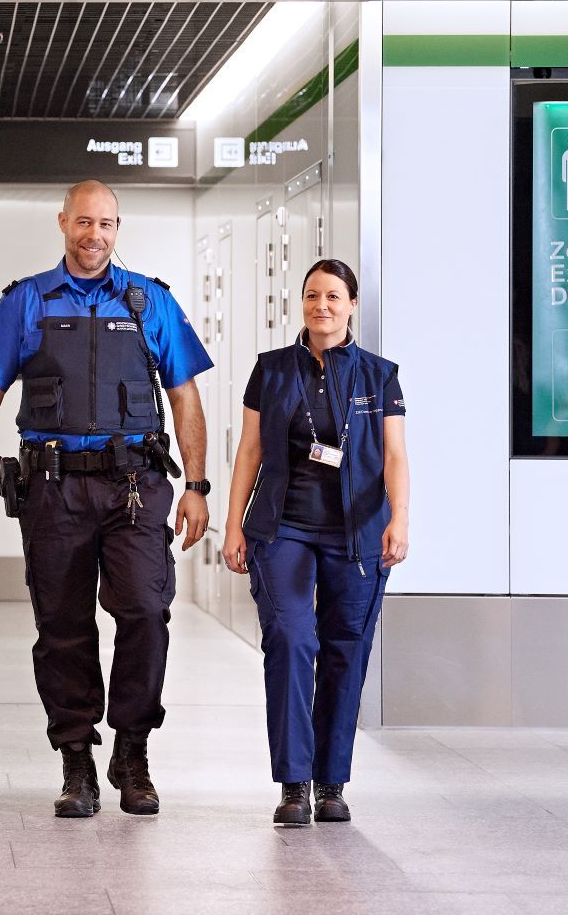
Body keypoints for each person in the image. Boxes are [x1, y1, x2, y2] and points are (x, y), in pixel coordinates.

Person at [0, 180, 213, 819]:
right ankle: (76, 762)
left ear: (119, 229)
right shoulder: (27, 300)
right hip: (53, 486)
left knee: (147, 611)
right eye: (85, 222)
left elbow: (183, 395)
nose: (95, 234)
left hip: (135, 486)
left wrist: (197, 486)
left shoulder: (149, 300)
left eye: (108, 224)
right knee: (62, 627)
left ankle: (133, 747)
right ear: (63, 221)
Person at [221, 258, 410, 828]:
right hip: (283, 529)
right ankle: (293, 784)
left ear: (352, 304)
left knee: (345, 650)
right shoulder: (272, 370)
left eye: (332, 296)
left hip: (357, 535)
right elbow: (250, 451)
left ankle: (332, 783)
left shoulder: (380, 375)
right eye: (310, 296)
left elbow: (395, 455)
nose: (320, 306)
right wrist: (233, 527)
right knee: (290, 639)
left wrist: (399, 519)